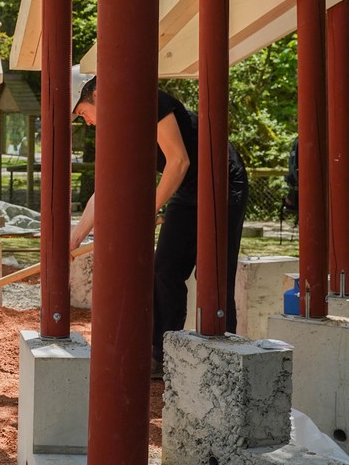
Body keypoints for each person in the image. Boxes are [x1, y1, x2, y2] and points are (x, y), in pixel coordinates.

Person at [68, 66, 249, 375]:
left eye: (82, 112)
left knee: (215, 274)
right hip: (186, 189)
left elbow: (179, 159)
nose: (85, 121)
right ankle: (163, 352)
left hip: (221, 184)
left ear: (97, 94)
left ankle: (222, 360)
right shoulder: (116, 129)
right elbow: (107, 188)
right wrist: (75, 238)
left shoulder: (150, 103)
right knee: (165, 268)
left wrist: (146, 212)